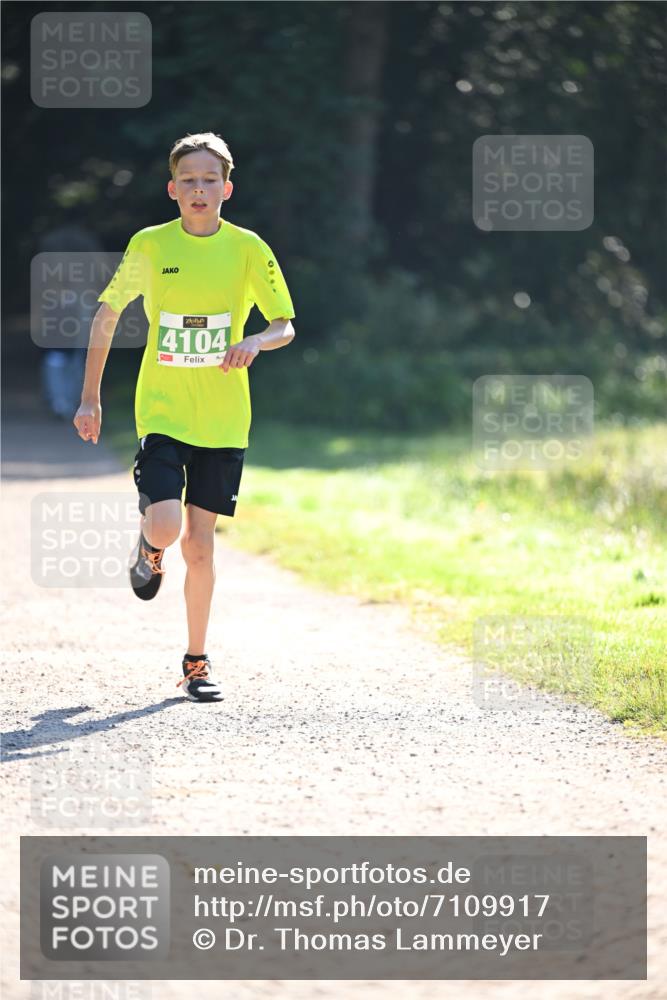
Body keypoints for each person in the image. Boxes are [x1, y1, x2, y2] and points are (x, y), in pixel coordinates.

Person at [73, 132, 296, 703]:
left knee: (200, 545)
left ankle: (196, 663)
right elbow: (106, 316)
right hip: (164, 410)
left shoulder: (248, 248)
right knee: (168, 526)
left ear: (227, 188)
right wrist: (90, 398)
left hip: (224, 418)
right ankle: (149, 550)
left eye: (210, 179)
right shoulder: (150, 245)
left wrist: (256, 342)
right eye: (189, 180)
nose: (200, 189)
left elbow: (284, 324)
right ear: (173, 190)